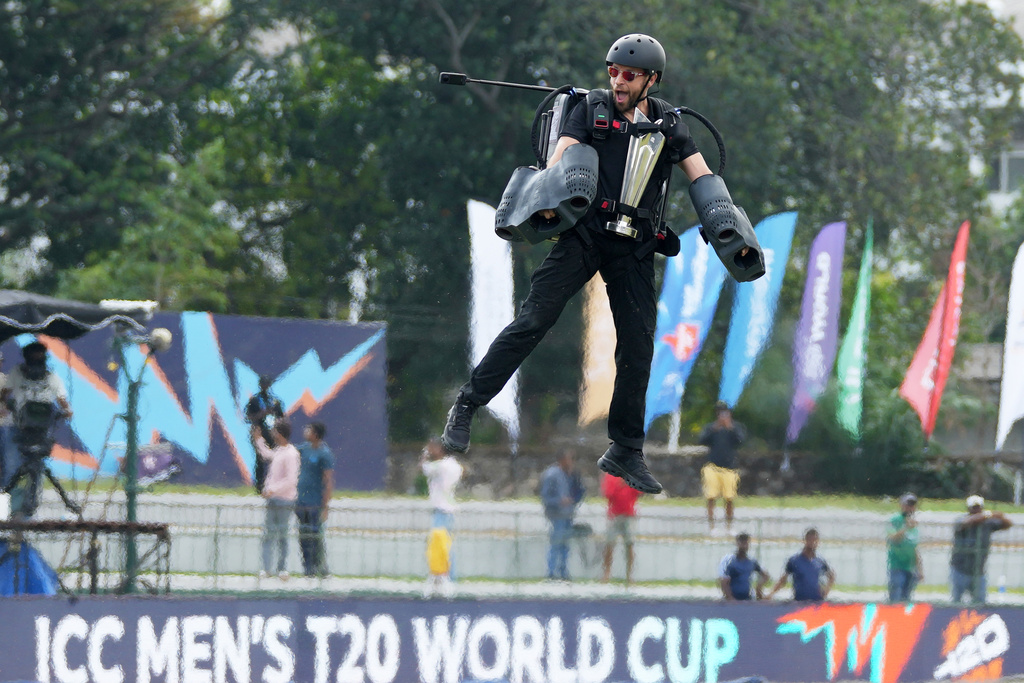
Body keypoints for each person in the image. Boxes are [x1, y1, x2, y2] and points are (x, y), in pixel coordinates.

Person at [442, 34, 757, 495]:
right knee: (533, 321)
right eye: (613, 71)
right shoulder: (589, 110)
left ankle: (626, 448)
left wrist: (729, 228)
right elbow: (562, 153)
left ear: (651, 79)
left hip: (635, 246)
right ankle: (468, 404)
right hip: (585, 236)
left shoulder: (671, 124)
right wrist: (548, 194)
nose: (618, 80)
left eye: (628, 74)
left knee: (639, 345)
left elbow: (702, 176)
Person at [0, 341, 73, 517]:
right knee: (12, 468)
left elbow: (62, 398)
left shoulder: (51, 376)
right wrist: (5, 405)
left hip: (41, 430)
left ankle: (29, 509)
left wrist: (66, 410)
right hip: (17, 428)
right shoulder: (17, 373)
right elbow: (5, 393)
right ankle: (11, 508)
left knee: (36, 469)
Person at [252, 421, 299, 580]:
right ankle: (266, 568)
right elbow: (267, 455)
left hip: (284, 500)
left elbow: (291, 480)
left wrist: (273, 489)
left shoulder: (291, 453)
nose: (272, 434)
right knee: (269, 534)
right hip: (273, 499)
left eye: (274, 431)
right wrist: (259, 440)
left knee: (282, 534)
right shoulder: (279, 451)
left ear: (280, 433)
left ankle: (282, 568)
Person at [950, 494, 1013, 604]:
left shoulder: (987, 522)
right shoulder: (961, 520)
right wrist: (988, 515)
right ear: (968, 508)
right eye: (974, 507)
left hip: (979, 570)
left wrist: (999, 516)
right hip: (960, 568)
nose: (977, 510)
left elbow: (1008, 524)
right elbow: (966, 522)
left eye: (978, 507)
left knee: (980, 603)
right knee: (956, 602)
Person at [421, 437, 463, 594]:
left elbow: (423, 468)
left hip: (441, 509)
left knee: (438, 544)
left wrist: (425, 454)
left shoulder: (441, 466)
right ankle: (450, 576)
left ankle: (442, 576)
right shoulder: (455, 465)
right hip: (450, 509)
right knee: (447, 545)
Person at [698, 401, 745, 534]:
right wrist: (715, 428)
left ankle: (729, 526)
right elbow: (701, 440)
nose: (722, 416)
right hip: (712, 466)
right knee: (711, 497)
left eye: (725, 413)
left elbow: (741, 441)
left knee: (729, 498)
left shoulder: (736, 428)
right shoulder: (711, 428)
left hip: (730, 468)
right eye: (720, 413)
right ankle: (711, 527)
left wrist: (730, 427)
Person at [295, 421, 334, 577]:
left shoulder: (324, 454)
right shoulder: (304, 449)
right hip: (301, 501)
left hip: (315, 502)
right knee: (303, 535)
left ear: (316, 434)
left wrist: (325, 506)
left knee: (315, 535)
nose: (305, 431)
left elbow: (328, 480)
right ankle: (308, 568)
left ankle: (321, 567)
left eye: (308, 429)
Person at [540, 449, 585, 581]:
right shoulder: (551, 475)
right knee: (556, 542)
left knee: (565, 544)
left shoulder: (572, 475)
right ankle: (551, 572)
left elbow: (580, 491)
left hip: (568, 514)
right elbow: (545, 496)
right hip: (556, 514)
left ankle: (563, 571)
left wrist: (574, 500)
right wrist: (559, 501)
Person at [767, 528, 835, 601]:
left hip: (816, 602)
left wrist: (826, 591)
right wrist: (771, 594)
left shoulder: (820, 561)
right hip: (799, 602)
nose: (813, 543)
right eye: (810, 540)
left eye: (815, 540)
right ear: (805, 541)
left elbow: (831, 576)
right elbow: (783, 580)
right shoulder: (794, 560)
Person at [601, 471, 641, 584]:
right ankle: (606, 574)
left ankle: (629, 575)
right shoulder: (610, 475)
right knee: (609, 544)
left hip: (629, 515)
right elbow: (607, 493)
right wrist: (620, 484)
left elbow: (639, 491)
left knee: (629, 545)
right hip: (614, 515)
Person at [245, 375, 284, 494]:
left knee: (276, 459)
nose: (265, 387)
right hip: (260, 432)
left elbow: (281, 418)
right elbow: (248, 417)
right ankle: (259, 486)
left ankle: (275, 484)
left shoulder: (275, 401)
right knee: (260, 460)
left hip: (273, 433)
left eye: (267, 384)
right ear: (260, 385)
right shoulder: (255, 401)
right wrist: (261, 414)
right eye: (263, 384)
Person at [887, 492, 923, 603]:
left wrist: (920, 569)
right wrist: (906, 527)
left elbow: (914, 547)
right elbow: (893, 538)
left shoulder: (914, 523)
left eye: (912, 505)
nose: (910, 508)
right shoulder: (895, 520)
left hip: (910, 567)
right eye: (907, 505)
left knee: (907, 599)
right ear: (902, 505)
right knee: (896, 598)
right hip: (897, 566)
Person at [718, 532, 770, 601]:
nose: (744, 546)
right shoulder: (730, 562)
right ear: (737, 544)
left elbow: (765, 575)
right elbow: (724, 582)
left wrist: (758, 588)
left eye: (746, 543)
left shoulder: (751, 562)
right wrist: (730, 598)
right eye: (742, 543)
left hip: (747, 599)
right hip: (733, 600)